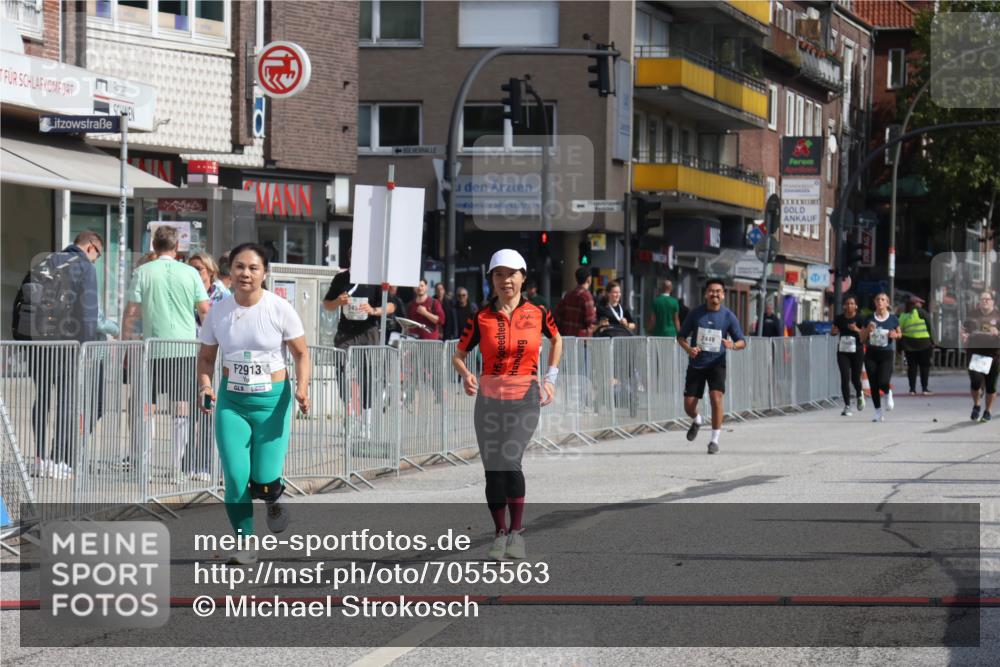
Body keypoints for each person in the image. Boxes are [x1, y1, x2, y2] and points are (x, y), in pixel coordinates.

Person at [197, 243, 309, 564]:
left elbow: (301, 354)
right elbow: (206, 359)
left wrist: (302, 388)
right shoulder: (219, 312)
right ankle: (245, 543)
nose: (245, 273)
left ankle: (272, 496)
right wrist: (205, 385)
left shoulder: (279, 309)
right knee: (234, 477)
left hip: (272, 404)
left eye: (253, 268)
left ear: (264, 273)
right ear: (229, 271)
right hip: (232, 402)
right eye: (239, 266)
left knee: (263, 477)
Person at [452, 249, 562, 561]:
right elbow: (458, 354)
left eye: (512, 274)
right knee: (493, 471)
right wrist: (466, 375)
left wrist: (550, 378)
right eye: (499, 274)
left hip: (524, 398)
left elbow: (557, 339)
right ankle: (499, 533)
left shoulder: (539, 312)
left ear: (523, 278)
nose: (506, 280)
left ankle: (517, 533)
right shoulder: (480, 317)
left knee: (510, 460)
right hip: (488, 400)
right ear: (492, 280)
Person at [13, 231, 111, 479]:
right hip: (66, 345)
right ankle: (59, 462)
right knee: (67, 401)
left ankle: (39, 458)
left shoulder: (46, 261)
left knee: (42, 397)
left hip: (36, 342)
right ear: (91, 248)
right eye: (97, 255)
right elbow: (88, 314)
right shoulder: (84, 267)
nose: (96, 260)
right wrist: (86, 348)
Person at [122, 225, 210, 484]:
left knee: (145, 409)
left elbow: (131, 314)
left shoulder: (142, 272)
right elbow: (204, 310)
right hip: (183, 349)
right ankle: (176, 469)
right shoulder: (190, 273)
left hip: (152, 350)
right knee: (181, 410)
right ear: (177, 247)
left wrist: (127, 342)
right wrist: (210, 344)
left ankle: (145, 467)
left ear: (153, 244)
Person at [323, 258, 396, 435]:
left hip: (368, 332)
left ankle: (366, 422)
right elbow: (326, 304)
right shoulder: (341, 278)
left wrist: (374, 310)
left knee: (368, 376)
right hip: (345, 333)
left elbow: (392, 305)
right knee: (342, 374)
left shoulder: (375, 280)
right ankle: (350, 417)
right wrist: (338, 302)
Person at [677, 279, 746, 454]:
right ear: (706, 294)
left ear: (723, 295)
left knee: (716, 399)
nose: (714, 294)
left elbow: (742, 341)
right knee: (688, 406)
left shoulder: (728, 316)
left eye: (718, 291)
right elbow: (681, 337)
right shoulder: (695, 314)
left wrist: (733, 345)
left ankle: (714, 441)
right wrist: (689, 349)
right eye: (711, 291)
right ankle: (697, 419)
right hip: (697, 364)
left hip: (717, 363)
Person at [186, 252, 231, 482]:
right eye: (191, 268)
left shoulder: (221, 295)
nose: (194, 273)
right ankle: (192, 462)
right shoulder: (189, 290)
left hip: (214, 360)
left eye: (199, 269)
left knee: (208, 412)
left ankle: (208, 463)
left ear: (211, 272)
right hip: (192, 359)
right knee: (192, 412)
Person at [860, 292, 902, 423]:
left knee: (883, 381)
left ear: (887, 303)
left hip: (886, 354)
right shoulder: (868, 318)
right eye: (877, 299)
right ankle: (878, 412)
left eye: (883, 299)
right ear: (874, 302)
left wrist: (894, 335)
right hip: (871, 354)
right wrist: (868, 329)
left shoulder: (893, 319)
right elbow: (862, 338)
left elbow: (899, 334)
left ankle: (888, 392)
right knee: (873, 384)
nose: (880, 301)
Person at [962, 291, 999, 422]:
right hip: (975, 354)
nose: (985, 301)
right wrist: (964, 336)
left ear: (993, 302)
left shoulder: (998, 316)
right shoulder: (972, 315)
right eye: (982, 299)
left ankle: (988, 411)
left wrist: (998, 333)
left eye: (987, 299)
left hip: (994, 355)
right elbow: (964, 330)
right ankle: (977, 405)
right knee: (975, 382)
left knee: (991, 385)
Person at [831, 295, 866, 416]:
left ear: (856, 306)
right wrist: (834, 332)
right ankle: (847, 406)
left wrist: (856, 329)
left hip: (857, 351)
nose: (849, 305)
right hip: (843, 351)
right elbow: (833, 331)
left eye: (852, 303)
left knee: (855, 378)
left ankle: (859, 394)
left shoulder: (860, 319)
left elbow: (865, 336)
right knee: (845, 377)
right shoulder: (839, 318)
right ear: (844, 306)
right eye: (847, 303)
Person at [899, 295, 934, 395]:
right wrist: (934, 341)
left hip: (909, 345)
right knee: (924, 367)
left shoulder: (903, 315)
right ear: (916, 304)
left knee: (912, 367)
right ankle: (924, 389)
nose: (921, 305)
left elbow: (899, 330)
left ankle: (912, 389)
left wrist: (900, 346)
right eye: (920, 303)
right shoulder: (922, 312)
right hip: (924, 344)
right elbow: (930, 326)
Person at [554, 267, 597, 337]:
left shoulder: (568, 295)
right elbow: (590, 320)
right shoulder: (587, 296)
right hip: (581, 338)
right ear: (589, 279)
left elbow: (557, 315)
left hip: (567, 336)